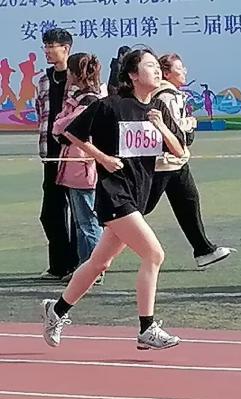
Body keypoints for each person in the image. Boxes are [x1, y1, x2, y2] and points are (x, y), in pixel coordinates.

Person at [40, 49, 186, 350]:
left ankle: (57, 310)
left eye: (158, 67)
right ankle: (147, 328)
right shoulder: (111, 105)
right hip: (114, 194)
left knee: (99, 263)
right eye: (149, 66)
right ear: (132, 74)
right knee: (154, 254)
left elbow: (179, 150)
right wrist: (102, 158)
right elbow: (72, 132)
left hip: (138, 195)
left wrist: (160, 126)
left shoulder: (157, 107)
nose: (156, 71)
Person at [145, 53, 232, 267]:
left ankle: (203, 250)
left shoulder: (171, 94)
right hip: (164, 162)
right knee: (138, 208)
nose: (184, 71)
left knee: (188, 201)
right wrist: (190, 123)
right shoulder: (166, 96)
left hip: (175, 162)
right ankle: (96, 247)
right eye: (180, 68)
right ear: (167, 73)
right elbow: (172, 127)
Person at [52, 53, 105, 285]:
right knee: (82, 222)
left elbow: (62, 127)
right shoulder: (82, 98)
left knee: (88, 222)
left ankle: (94, 269)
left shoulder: (89, 101)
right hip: (77, 166)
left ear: (75, 74)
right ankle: (86, 267)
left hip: (83, 166)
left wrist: (61, 125)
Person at [36, 28, 79, 280]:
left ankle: (78, 266)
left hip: (74, 154)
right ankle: (59, 265)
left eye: (52, 45)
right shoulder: (43, 80)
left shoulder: (78, 79)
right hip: (51, 155)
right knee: (51, 213)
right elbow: (41, 114)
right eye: (46, 45)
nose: (47, 50)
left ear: (66, 48)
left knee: (79, 212)